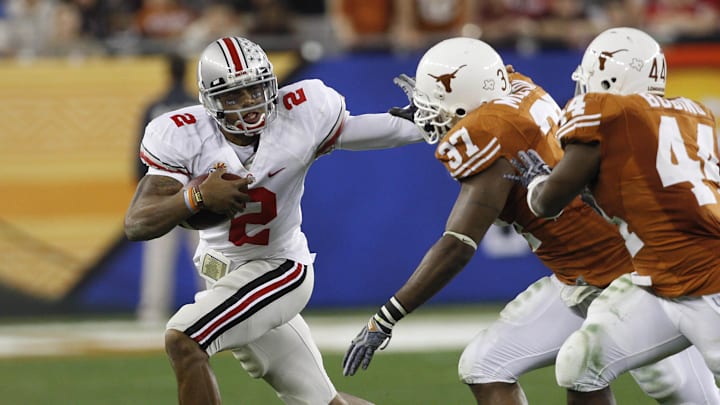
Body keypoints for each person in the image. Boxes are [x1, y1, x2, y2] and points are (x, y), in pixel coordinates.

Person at [340, 37, 720, 405]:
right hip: (578, 277)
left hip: (629, 279)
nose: (425, 113)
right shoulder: (517, 88)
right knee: (486, 365)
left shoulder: (490, 132)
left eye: (431, 104)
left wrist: (385, 318)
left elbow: (457, 244)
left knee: (688, 396)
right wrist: (434, 120)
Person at [124, 36, 423, 405]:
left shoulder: (301, 113)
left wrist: (425, 123)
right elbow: (137, 222)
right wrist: (195, 196)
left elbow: (360, 130)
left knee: (184, 339)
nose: (249, 103)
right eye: (234, 96)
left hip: (280, 267)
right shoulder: (183, 134)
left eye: (254, 89)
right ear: (210, 101)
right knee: (325, 403)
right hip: (227, 274)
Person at [511, 27, 720, 405]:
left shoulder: (603, 111)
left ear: (607, 77)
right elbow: (637, 198)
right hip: (661, 280)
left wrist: (537, 181)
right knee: (580, 365)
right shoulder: (696, 114)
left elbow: (547, 204)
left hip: (708, 283)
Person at [135, 52, 202, 324]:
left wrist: (144, 191)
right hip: (195, 192)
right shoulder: (197, 106)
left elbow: (140, 154)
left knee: (158, 256)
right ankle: (214, 304)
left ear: (167, 72)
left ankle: (151, 310)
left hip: (162, 192)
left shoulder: (155, 107)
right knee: (204, 255)